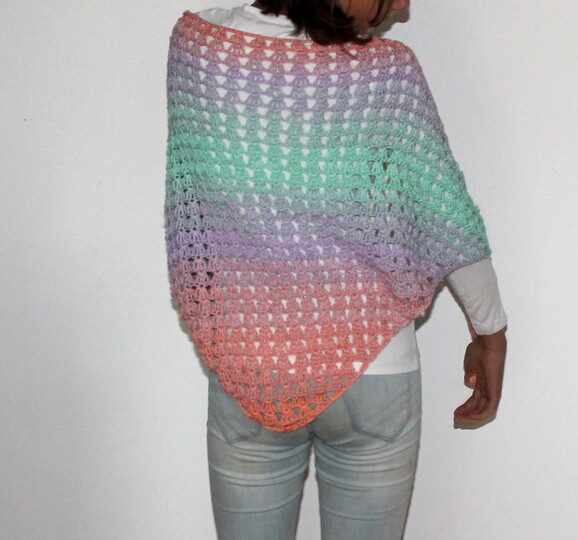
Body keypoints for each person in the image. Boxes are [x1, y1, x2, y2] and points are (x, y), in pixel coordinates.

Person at [165, 1, 507, 538]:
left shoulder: (200, 47)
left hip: (249, 366)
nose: (403, 5)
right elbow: (445, 215)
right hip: (374, 375)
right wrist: (490, 331)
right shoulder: (386, 73)